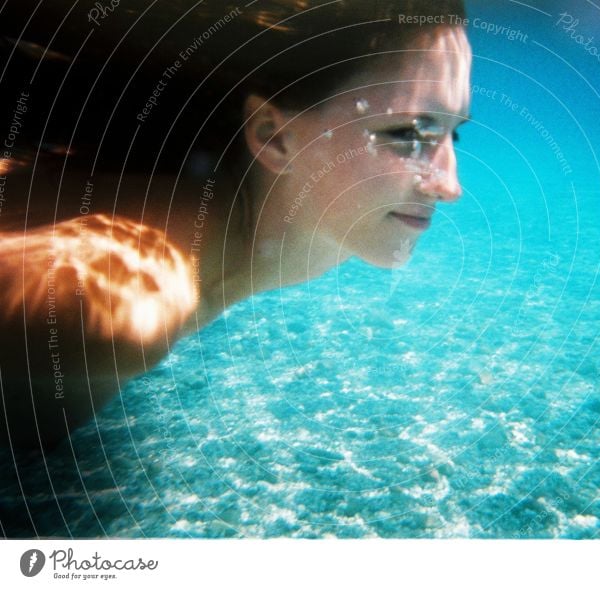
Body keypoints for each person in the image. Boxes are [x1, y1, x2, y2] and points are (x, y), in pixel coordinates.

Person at [0, 0, 471, 449]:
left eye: (453, 132)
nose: (450, 186)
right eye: (407, 133)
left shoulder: (316, 229)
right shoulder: (127, 299)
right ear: (275, 137)